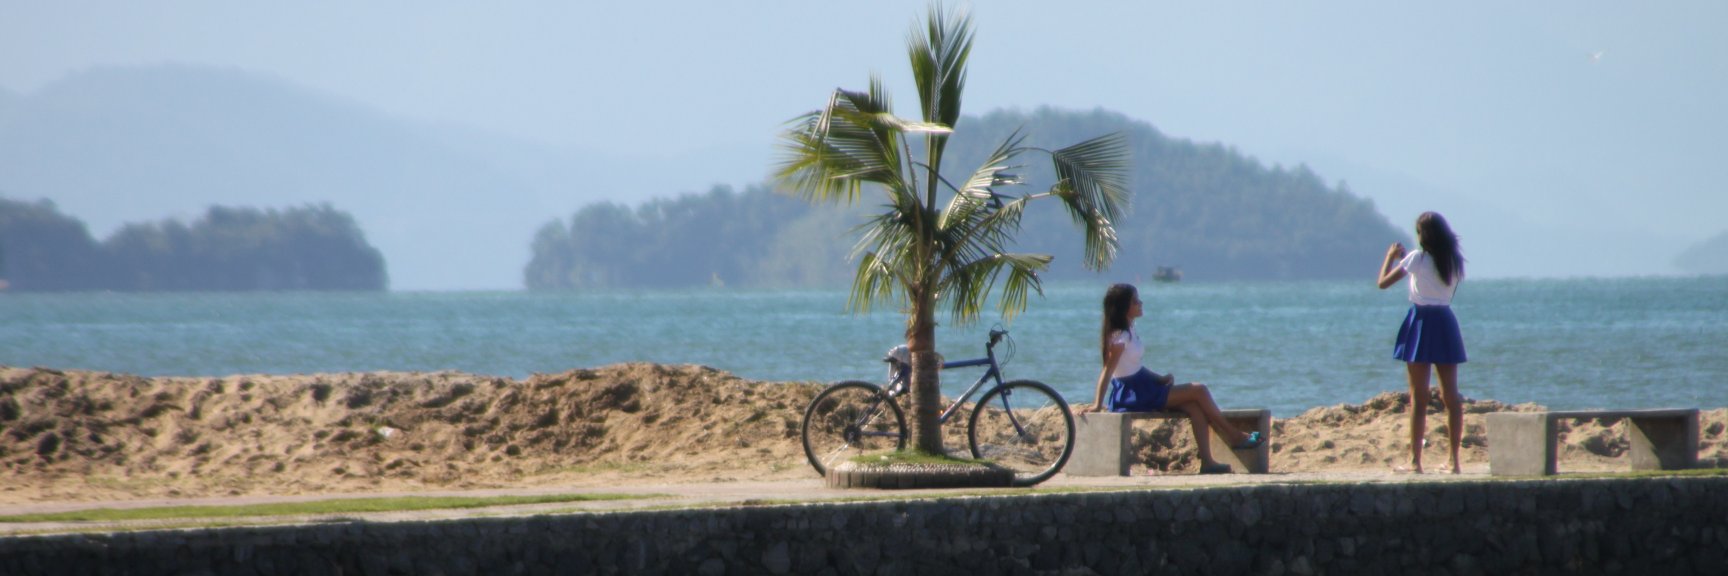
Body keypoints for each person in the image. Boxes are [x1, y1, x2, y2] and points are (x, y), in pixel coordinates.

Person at [1081, 283, 1263, 474]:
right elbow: (1108, 371)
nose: (1140, 303)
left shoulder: (1130, 329)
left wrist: (1158, 378)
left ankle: (1208, 463)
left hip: (1143, 387)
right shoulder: (1120, 336)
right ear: (1124, 307)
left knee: (1195, 407)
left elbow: (1134, 366)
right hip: (1132, 394)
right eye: (1135, 301)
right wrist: (1097, 403)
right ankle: (1234, 436)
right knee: (1199, 389)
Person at [1376, 211, 1468, 474]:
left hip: (1420, 321)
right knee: (1451, 396)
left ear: (1422, 235)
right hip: (1445, 321)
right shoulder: (1452, 260)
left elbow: (1383, 283)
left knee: (1419, 396)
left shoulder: (1417, 258)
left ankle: (1415, 461)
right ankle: (1454, 461)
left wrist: (1391, 257)